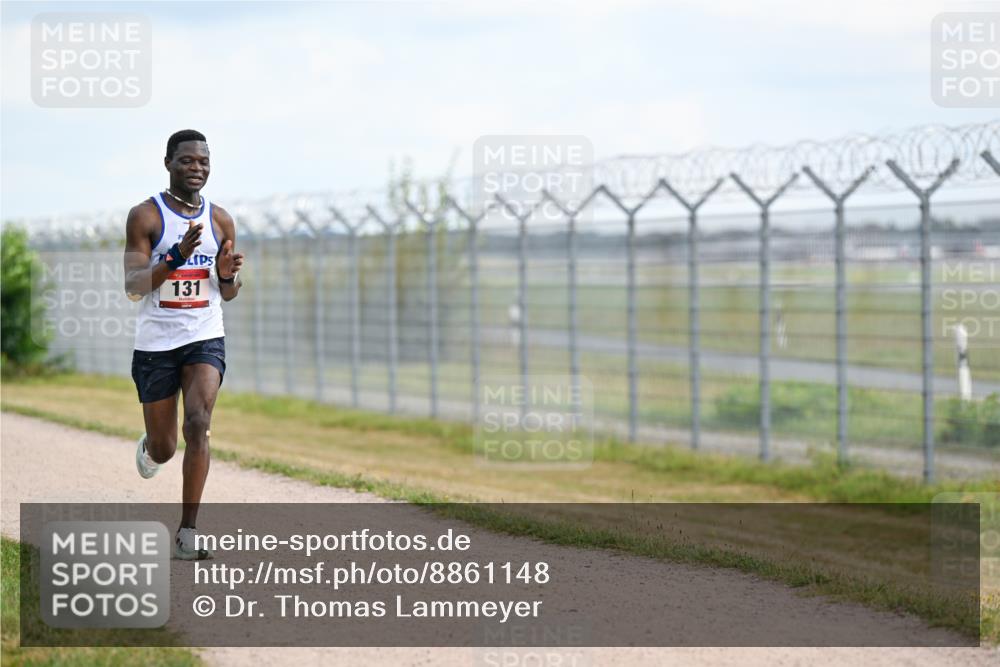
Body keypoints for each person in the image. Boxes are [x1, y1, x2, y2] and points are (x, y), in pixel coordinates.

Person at [123, 129, 244, 560]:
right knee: (165, 446)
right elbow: (134, 286)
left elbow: (226, 291)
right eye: (188, 161)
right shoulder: (146, 217)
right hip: (157, 342)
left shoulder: (221, 220)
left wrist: (227, 275)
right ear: (168, 163)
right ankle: (151, 449)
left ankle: (187, 532)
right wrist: (173, 257)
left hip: (204, 336)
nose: (197, 169)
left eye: (204, 162)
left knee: (198, 422)